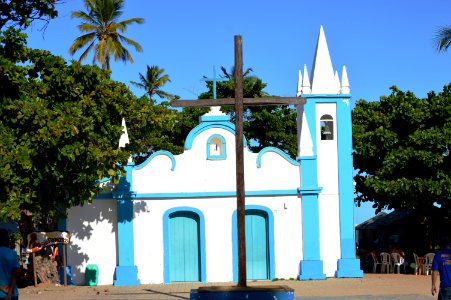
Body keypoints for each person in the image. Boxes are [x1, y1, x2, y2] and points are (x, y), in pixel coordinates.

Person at [0, 229, 20, 300]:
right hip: (12, 293)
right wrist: (9, 292)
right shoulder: (13, 253)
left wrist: (2, 288)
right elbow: (15, 275)